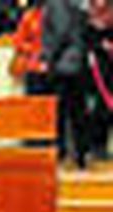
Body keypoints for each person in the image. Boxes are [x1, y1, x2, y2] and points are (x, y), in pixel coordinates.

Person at [44, 0, 92, 168]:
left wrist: (49, 59)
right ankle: (81, 153)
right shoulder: (80, 3)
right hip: (80, 64)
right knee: (79, 112)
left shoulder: (55, 5)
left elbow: (59, 34)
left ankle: (62, 153)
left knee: (61, 114)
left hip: (63, 67)